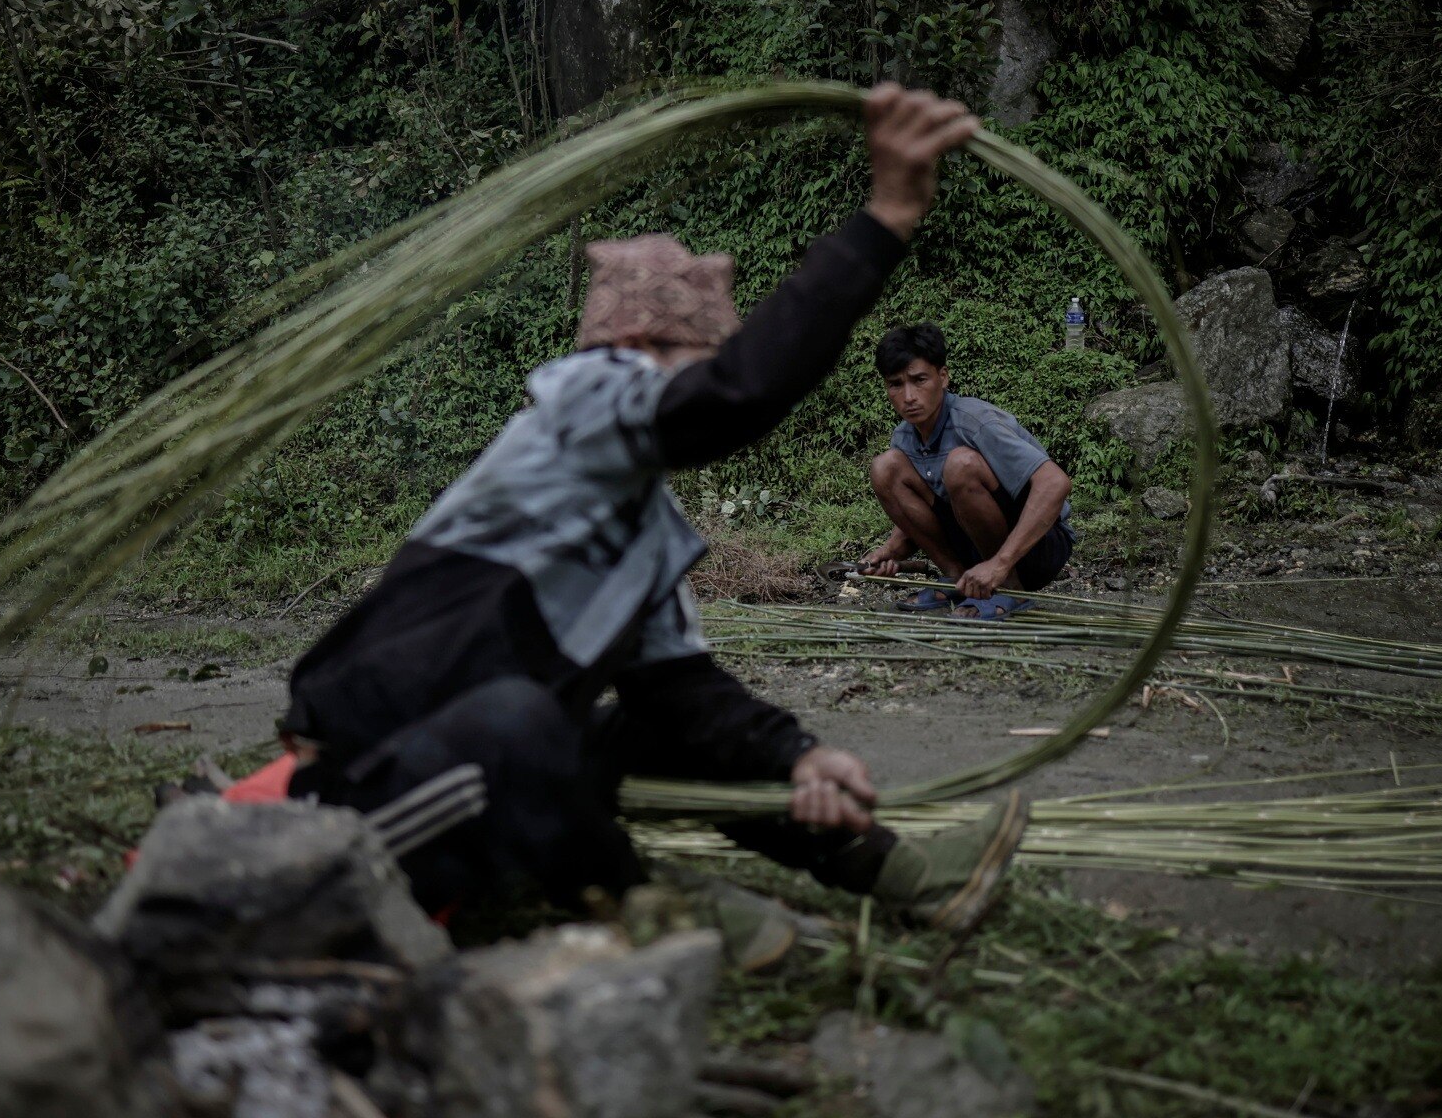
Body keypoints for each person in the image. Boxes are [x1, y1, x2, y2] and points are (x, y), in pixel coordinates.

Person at [280, 85, 1029, 968]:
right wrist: (888, 214)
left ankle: (908, 879)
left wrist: (797, 760)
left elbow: (686, 694)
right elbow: (735, 398)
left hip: (491, 786)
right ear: (639, 354)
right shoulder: (576, 411)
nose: (693, 383)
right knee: (517, 720)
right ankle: (651, 907)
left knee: (654, 726)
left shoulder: (641, 523)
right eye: (692, 363)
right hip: (372, 789)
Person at [859, 322, 1075, 619]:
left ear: (943, 377)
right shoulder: (904, 437)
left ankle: (1011, 589)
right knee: (885, 467)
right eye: (896, 384)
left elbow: (1055, 483)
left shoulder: (974, 421)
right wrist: (891, 549)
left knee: (961, 464)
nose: (908, 396)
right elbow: (928, 508)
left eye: (919, 379)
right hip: (976, 549)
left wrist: (999, 564)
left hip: (1036, 550)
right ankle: (958, 580)